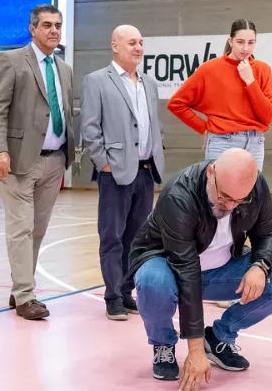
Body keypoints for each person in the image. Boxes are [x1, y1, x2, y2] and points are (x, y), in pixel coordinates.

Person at [126, 148, 272, 389]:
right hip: (170, 267)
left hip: (222, 268)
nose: (230, 206)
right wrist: (194, 351)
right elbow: (186, 272)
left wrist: (260, 266)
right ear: (211, 173)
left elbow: (268, 234)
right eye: (224, 197)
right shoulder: (179, 196)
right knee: (152, 282)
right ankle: (163, 344)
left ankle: (219, 338)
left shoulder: (256, 187)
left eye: (239, 201)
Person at [0, 4, 76, 321]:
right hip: (19, 160)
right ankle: (25, 295)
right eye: (47, 25)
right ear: (32, 28)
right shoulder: (11, 61)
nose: (54, 30)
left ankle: (21, 288)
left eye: (58, 25)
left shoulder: (64, 70)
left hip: (55, 161)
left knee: (37, 230)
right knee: (20, 228)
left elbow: (64, 112)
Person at [79, 24, 167, 321]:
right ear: (115, 46)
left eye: (141, 42)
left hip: (145, 171)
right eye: (132, 43)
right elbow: (90, 127)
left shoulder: (149, 83)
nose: (138, 47)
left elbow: (153, 124)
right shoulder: (96, 81)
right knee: (112, 237)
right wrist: (103, 162)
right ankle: (113, 296)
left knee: (137, 238)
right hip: (114, 172)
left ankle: (127, 290)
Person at [167, 19, 272, 171]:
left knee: (251, 194)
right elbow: (176, 103)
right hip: (222, 142)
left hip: (255, 143)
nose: (246, 48)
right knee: (218, 194)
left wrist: (250, 81)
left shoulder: (263, 70)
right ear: (230, 41)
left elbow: (267, 116)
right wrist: (204, 128)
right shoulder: (210, 69)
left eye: (251, 42)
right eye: (240, 42)